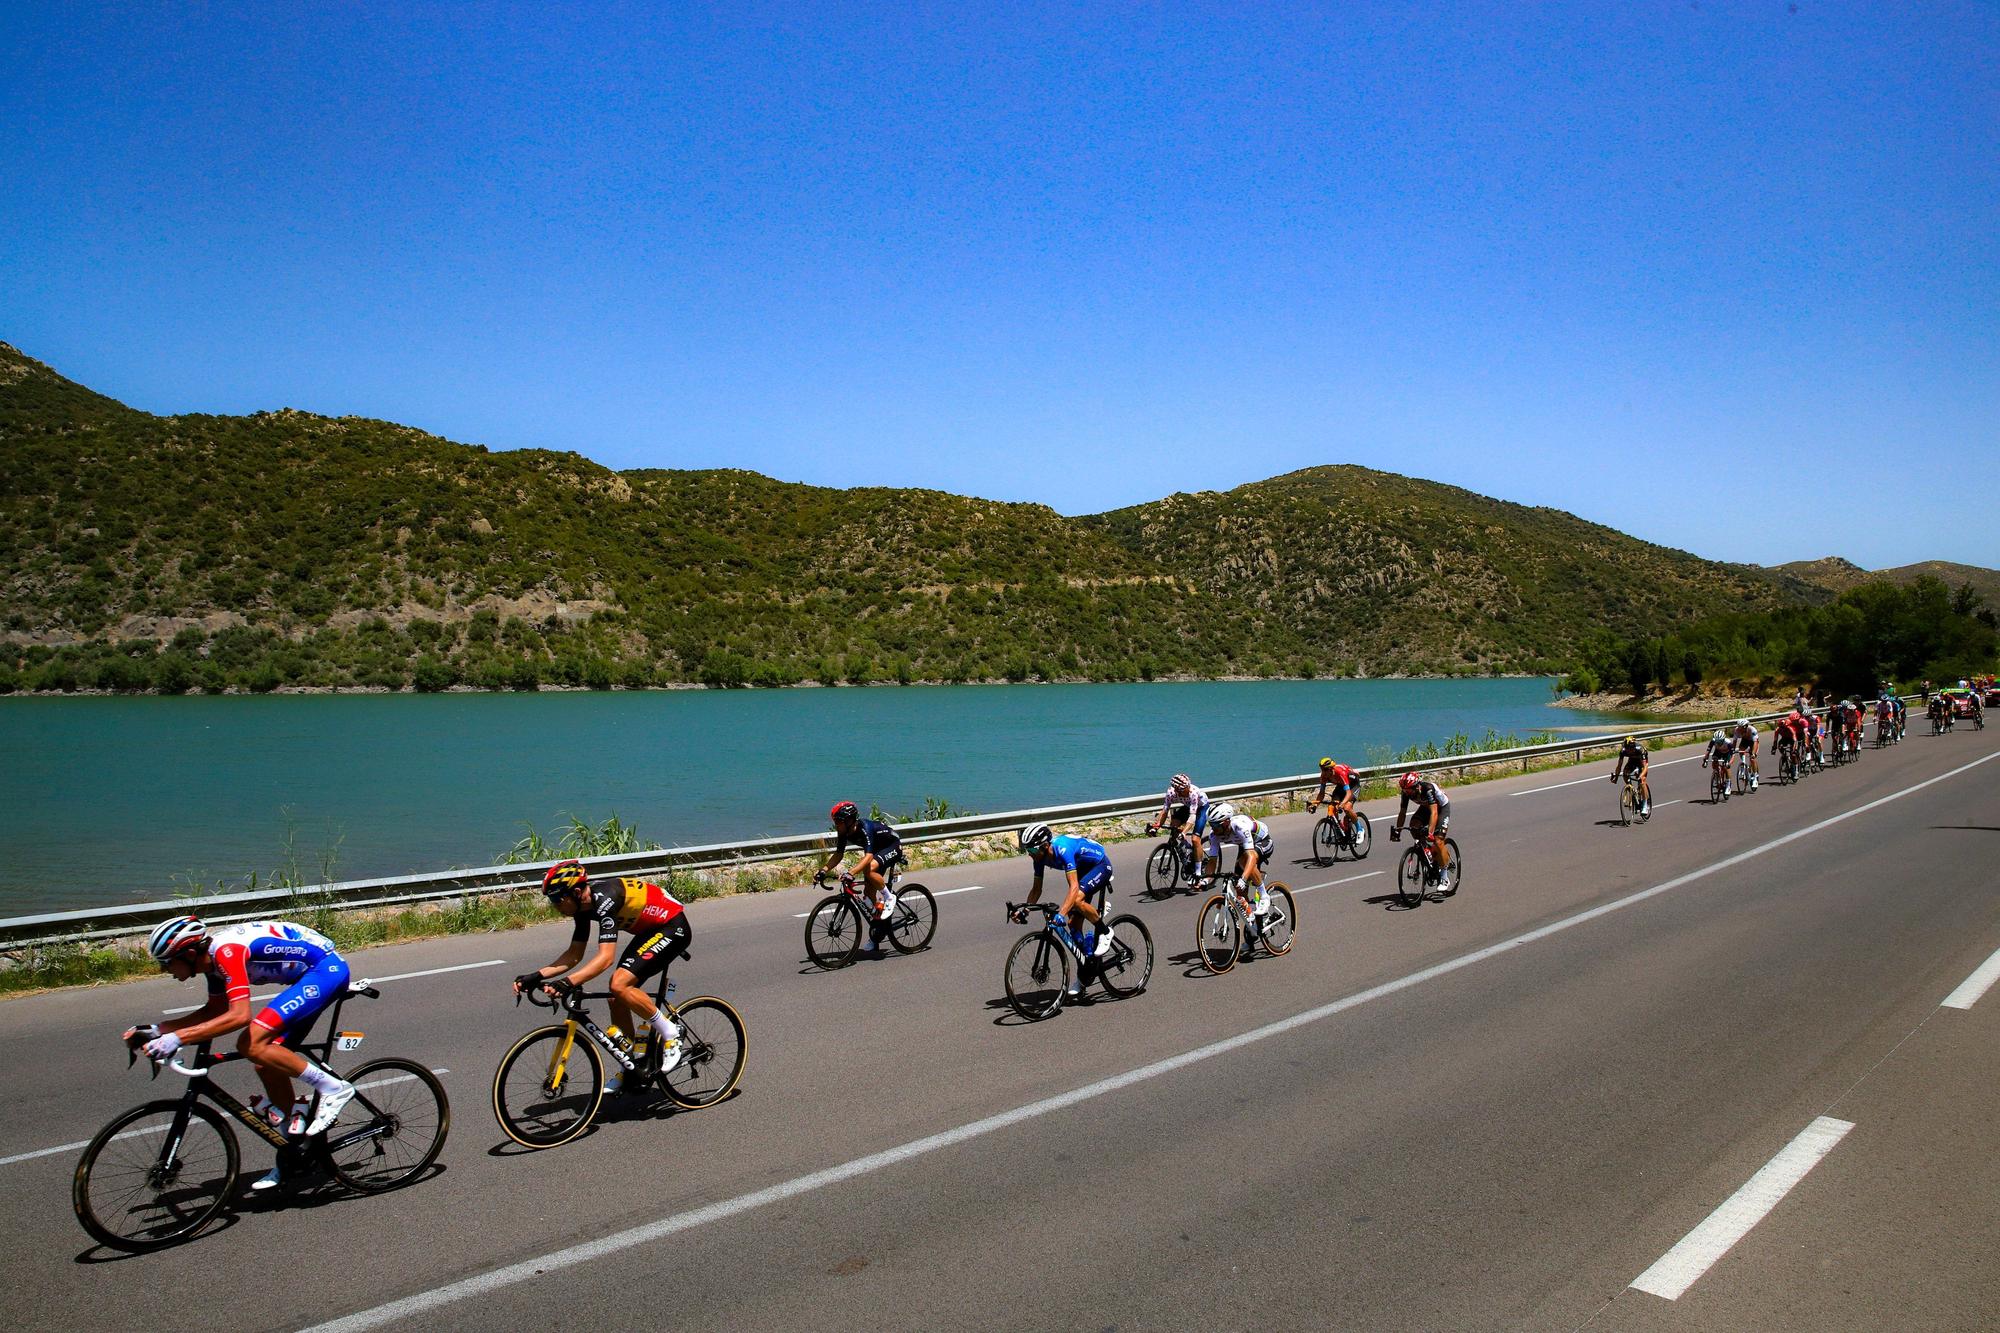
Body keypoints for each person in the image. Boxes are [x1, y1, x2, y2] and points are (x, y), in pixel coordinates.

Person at [129, 916, 357, 1192]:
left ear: (189, 954)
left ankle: (333, 1088)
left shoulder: (227, 953)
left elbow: (239, 1015)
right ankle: (294, 1154)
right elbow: (215, 1011)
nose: (164, 969)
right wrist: (157, 1030)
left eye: (166, 962)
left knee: (250, 1043)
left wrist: (176, 1038)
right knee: (265, 1061)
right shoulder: (211, 964)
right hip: (307, 975)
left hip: (325, 971)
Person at [515, 860, 689, 1094]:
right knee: (616, 997)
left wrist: (568, 982)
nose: (555, 905)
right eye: (551, 900)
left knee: (618, 984)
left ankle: (671, 1033)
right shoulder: (582, 908)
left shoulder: (605, 899)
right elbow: (574, 955)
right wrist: (536, 976)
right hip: (649, 931)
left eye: (557, 899)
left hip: (672, 927)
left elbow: (605, 958)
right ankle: (632, 1065)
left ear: (576, 892)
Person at [1013, 823, 1115, 1000]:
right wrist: (1025, 910)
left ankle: (1105, 931)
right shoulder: (1040, 859)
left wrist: (1061, 912)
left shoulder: (1063, 849)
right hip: (1083, 868)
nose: (1030, 854)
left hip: (1099, 865)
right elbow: (1037, 889)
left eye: (1032, 850)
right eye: (1027, 850)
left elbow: (1074, 887)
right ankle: (1085, 973)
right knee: (1073, 924)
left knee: (1075, 901)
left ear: (1045, 846)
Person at [818, 801, 905, 952]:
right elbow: (839, 854)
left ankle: (888, 896)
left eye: (838, 821)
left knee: (869, 869)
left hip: (892, 846)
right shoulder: (844, 831)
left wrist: (851, 872)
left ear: (849, 820)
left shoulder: (865, 827)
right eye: (835, 821)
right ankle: (877, 933)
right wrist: (823, 870)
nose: (836, 824)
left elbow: (869, 856)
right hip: (878, 851)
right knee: (868, 894)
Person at [1204, 800, 1277, 919]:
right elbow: (1212, 861)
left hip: (1262, 841)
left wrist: (1244, 879)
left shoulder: (1239, 826)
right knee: (1240, 892)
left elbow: (1251, 856)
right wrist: (1205, 880)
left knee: (1244, 864)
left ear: (1227, 822)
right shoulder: (1214, 835)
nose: (1214, 828)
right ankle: (1253, 921)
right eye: (1211, 825)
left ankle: (1264, 896)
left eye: (1217, 825)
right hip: (1245, 846)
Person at [1390, 772, 1453, 887]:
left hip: (1441, 808)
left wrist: (1430, 832)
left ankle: (1444, 876)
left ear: (1417, 786)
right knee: (1414, 827)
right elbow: (1402, 813)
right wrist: (1398, 830)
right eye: (1404, 790)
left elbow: (1434, 813)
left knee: (1438, 841)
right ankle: (1430, 852)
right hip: (1425, 808)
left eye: (1409, 790)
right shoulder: (1406, 792)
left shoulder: (1427, 789)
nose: (1406, 793)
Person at [1307, 757, 1362, 844]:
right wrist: (1315, 805)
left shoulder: (1340, 773)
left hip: (1353, 785)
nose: (1323, 772)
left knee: (1347, 808)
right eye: (1321, 770)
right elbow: (1321, 793)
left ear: (1331, 769)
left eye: (1325, 770)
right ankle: (1339, 831)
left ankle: (1360, 829)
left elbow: (1348, 793)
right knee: (1332, 807)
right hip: (1341, 786)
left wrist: (1342, 804)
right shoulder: (1323, 776)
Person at [1609, 735, 1650, 814]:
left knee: (1642, 781)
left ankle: (1645, 804)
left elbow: (1645, 767)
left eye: (1630, 749)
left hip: (1641, 763)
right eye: (1627, 748)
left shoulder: (1640, 750)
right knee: (1625, 774)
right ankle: (1631, 790)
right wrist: (1616, 778)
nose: (1628, 751)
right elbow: (1619, 766)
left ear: (1633, 747)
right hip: (1631, 762)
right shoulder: (1623, 751)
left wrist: (1641, 775)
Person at [1702, 728, 1736, 796]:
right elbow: (1708, 751)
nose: (1718, 743)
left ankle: (1728, 784)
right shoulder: (1713, 741)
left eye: (1720, 741)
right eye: (1717, 741)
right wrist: (1705, 760)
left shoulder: (1728, 743)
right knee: (1714, 760)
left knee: (1726, 767)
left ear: (1723, 739)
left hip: (1727, 753)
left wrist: (1729, 763)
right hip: (1718, 752)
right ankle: (1717, 775)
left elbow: (1733, 755)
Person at [1731, 718, 1760, 789]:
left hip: (1753, 742)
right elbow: (1734, 741)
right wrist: (1732, 750)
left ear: (1746, 726)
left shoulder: (1752, 730)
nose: (1740, 729)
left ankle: (1755, 777)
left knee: (1752, 758)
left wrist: (1753, 753)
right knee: (1741, 749)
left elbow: (1755, 742)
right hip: (1745, 740)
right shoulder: (1736, 730)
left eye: (1742, 727)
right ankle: (1743, 763)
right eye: (1739, 727)